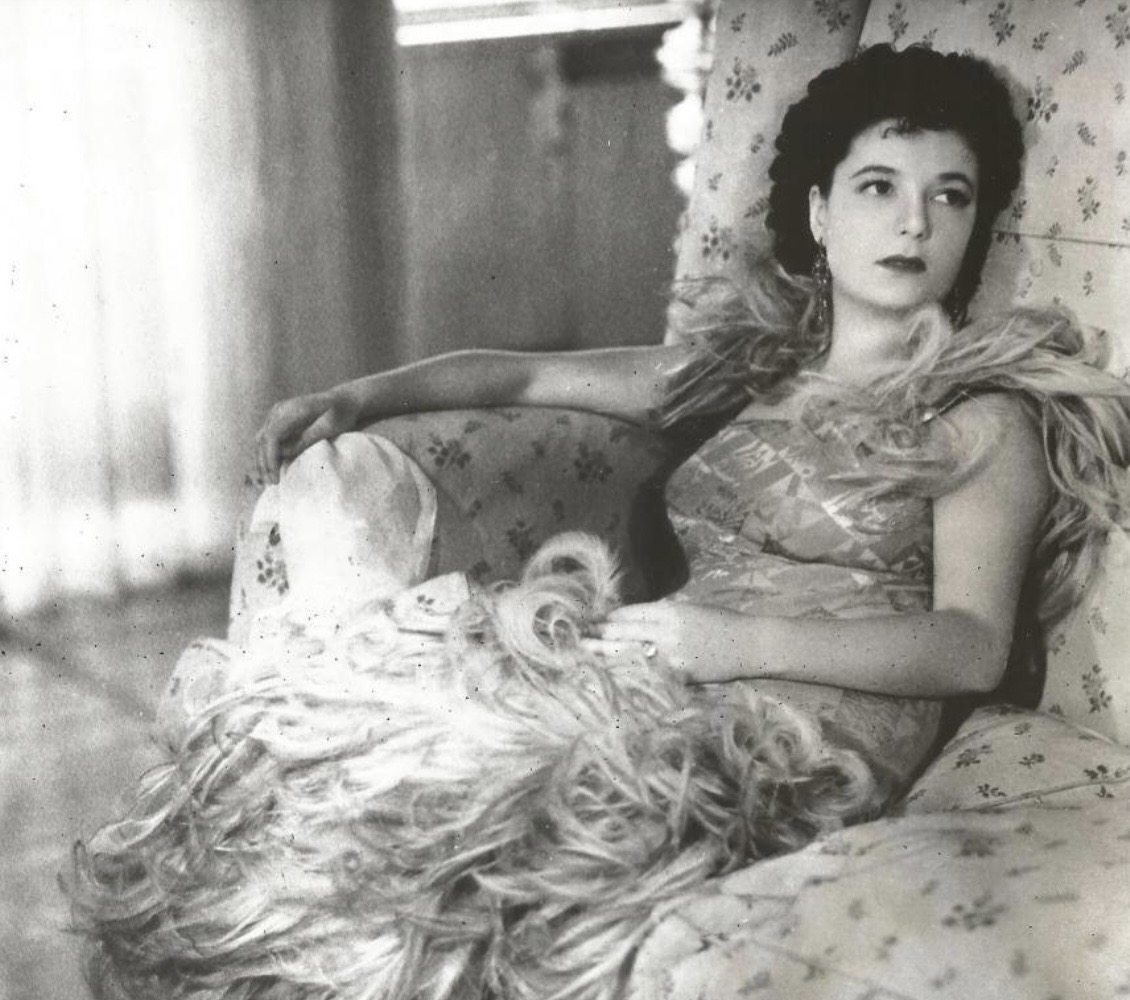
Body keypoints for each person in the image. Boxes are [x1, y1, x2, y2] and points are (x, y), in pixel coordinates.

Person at [67, 44, 1130, 1000]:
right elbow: (526, 375)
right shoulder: (747, 371)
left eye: (950, 196)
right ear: (819, 212)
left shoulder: (980, 416)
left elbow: (969, 643)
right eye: (879, 186)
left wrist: (734, 644)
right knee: (350, 797)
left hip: (796, 734)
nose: (914, 224)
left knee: (472, 843)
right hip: (661, 677)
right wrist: (362, 395)